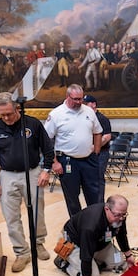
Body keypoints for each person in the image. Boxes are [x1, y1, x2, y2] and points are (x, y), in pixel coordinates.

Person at [0, 92, 54, 273]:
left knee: (37, 212)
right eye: (2, 114)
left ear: (17, 108)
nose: (6, 118)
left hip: (32, 172)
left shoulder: (32, 124)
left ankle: (38, 244)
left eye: (9, 113)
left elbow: (47, 149)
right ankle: (22, 252)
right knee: (11, 216)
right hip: (7, 175)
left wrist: (46, 170)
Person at [44, 84, 103, 217]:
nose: (79, 102)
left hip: (89, 160)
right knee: (72, 197)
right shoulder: (56, 114)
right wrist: (54, 162)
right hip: (67, 161)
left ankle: (94, 223)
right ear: (67, 97)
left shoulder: (89, 111)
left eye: (81, 99)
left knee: (94, 194)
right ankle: (77, 226)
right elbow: (46, 140)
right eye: (75, 99)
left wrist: (96, 152)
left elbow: (98, 132)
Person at [60, 195, 136, 276]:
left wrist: (128, 255)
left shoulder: (119, 215)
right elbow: (86, 254)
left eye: (123, 214)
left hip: (99, 241)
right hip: (76, 243)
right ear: (107, 209)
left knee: (120, 263)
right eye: (117, 215)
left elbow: (121, 234)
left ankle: (95, 261)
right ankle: (64, 263)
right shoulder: (90, 225)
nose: (121, 218)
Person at [82, 94, 111, 203]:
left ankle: (99, 203)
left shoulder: (102, 118)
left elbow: (107, 136)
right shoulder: (85, 117)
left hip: (101, 153)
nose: (84, 106)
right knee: (89, 179)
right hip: (88, 153)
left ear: (94, 104)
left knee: (98, 178)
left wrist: (95, 147)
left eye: (86, 103)